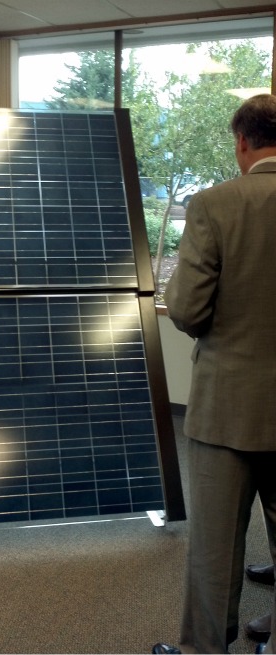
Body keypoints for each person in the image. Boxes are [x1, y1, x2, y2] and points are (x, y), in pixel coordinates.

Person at [152, 94, 276, 655]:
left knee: (214, 545)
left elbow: (186, 310)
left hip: (226, 405)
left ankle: (205, 649)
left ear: (243, 142)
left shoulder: (214, 205)